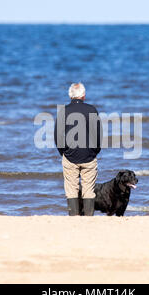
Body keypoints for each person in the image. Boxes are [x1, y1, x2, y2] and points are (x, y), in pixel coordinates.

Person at [54, 83, 102, 216]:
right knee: (89, 190)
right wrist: (94, 152)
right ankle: (88, 218)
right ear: (84, 95)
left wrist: (64, 152)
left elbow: (57, 136)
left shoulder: (63, 110)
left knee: (71, 189)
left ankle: (74, 217)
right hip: (89, 156)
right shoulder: (92, 110)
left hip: (70, 156)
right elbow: (98, 135)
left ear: (70, 95)